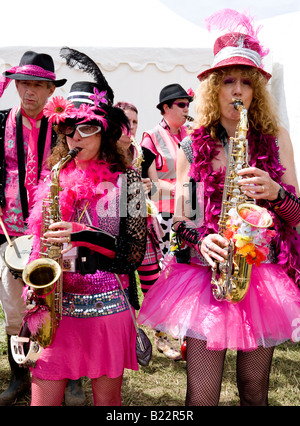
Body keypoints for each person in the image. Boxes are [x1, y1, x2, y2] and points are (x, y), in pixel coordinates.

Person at [138, 9, 300, 406]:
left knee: (254, 391)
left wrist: (276, 194)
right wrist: (203, 237)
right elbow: (180, 221)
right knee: (202, 396)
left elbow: (297, 214)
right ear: (214, 87)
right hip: (205, 278)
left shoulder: (276, 138)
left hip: (261, 277)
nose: (238, 89)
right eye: (228, 81)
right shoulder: (193, 145)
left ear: (258, 90)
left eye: (248, 81)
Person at [22, 47, 147, 406]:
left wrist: (84, 235)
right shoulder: (54, 177)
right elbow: (38, 239)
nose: (76, 138)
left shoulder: (132, 181)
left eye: (87, 128)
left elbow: (131, 256)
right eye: (67, 128)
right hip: (56, 304)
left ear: (105, 131)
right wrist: (34, 294)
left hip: (107, 306)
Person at [0, 51, 66, 405]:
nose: (30, 91)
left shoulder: (63, 126)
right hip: (8, 232)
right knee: (13, 308)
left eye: (39, 85)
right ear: (15, 85)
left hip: (53, 230)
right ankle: (19, 376)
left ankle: (68, 375)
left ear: (50, 89)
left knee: (60, 303)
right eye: (24, 83)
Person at [140, 84, 193, 361]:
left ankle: (187, 336)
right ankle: (161, 336)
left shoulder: (192, 136)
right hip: (164, 216)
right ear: (165, 108)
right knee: (164, 276)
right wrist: (177, 189)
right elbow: (147, 184)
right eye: (181, 105)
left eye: (188, 105)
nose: (187, 110)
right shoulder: (151, 137)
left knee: (188, 275)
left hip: (191, 213)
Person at [115, 101, 163, 295]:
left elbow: (157, 189)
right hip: (117, 225)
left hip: (143, 224)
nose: (131, 126)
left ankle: (154, 321)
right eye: (126, 121)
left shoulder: (142, 152)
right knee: (122, 285)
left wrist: (150, 187)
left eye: (135, 121)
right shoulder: (106, 152)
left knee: (153, 284)